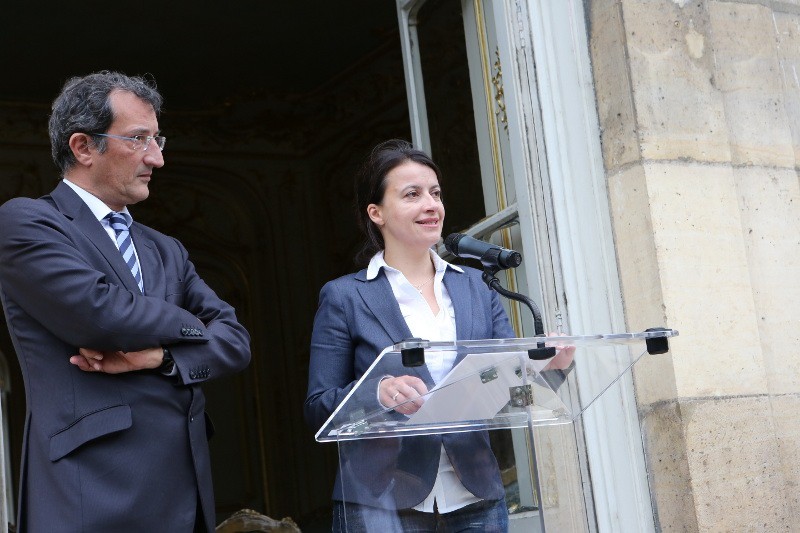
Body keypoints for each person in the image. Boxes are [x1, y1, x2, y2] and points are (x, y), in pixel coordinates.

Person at [0, 71, 251, 532]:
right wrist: (189, 324)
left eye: (158, 140)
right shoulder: (27, 222)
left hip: (185, 489)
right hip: (93, 492)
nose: (156, 158)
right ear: (83, 147)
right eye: (139, 139)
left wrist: (160, 356)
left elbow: (235, 340)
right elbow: (102, 316)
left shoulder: (166, 248)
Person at [304, 139, 573, 532]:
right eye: (411, 194)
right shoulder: (345, 296)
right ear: (376, 212)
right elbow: (317, 406)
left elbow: (512, 393)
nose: (431, 205)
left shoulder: (479, 288)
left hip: (476, 496)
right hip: (382, 500)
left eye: (435, 193)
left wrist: (552, 367)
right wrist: (378, 393)